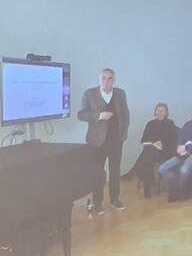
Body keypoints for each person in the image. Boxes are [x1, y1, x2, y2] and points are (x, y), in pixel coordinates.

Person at [75, 67, 130, 213]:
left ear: (114, 80)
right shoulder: (89, 94)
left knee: (115, 170)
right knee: (98, 171)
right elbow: (81, 114)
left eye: (109, 78)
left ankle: (114, 199)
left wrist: (123, 134)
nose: (106, 81)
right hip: (97, 141)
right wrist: (99, 116)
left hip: (116, 139)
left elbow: (125, 114)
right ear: (99, 79)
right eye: (103, 78)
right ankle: (97, 202)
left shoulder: (120, 93)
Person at [159, 102, 192, 201]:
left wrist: (187, 148)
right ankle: (178, 184)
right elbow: (180, 139)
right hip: (183, 154)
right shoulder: (187, 124)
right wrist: (180, 148)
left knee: (184, 169)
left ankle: (178, 191)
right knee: (162, 168)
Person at [136, 101, 178, 198]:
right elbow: (143, 140)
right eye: (158, 110)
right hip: (151, 152)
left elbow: (173, 141)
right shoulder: (150, 124)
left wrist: (161, 144)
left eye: (162, 111)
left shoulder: (170, 123)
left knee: (146, 158)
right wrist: (153, 144)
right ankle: (148, 183)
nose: (159, 113)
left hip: (166, 152)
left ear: (166, 113)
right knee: (149, 151)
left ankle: (147, 184)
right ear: (155, 112)